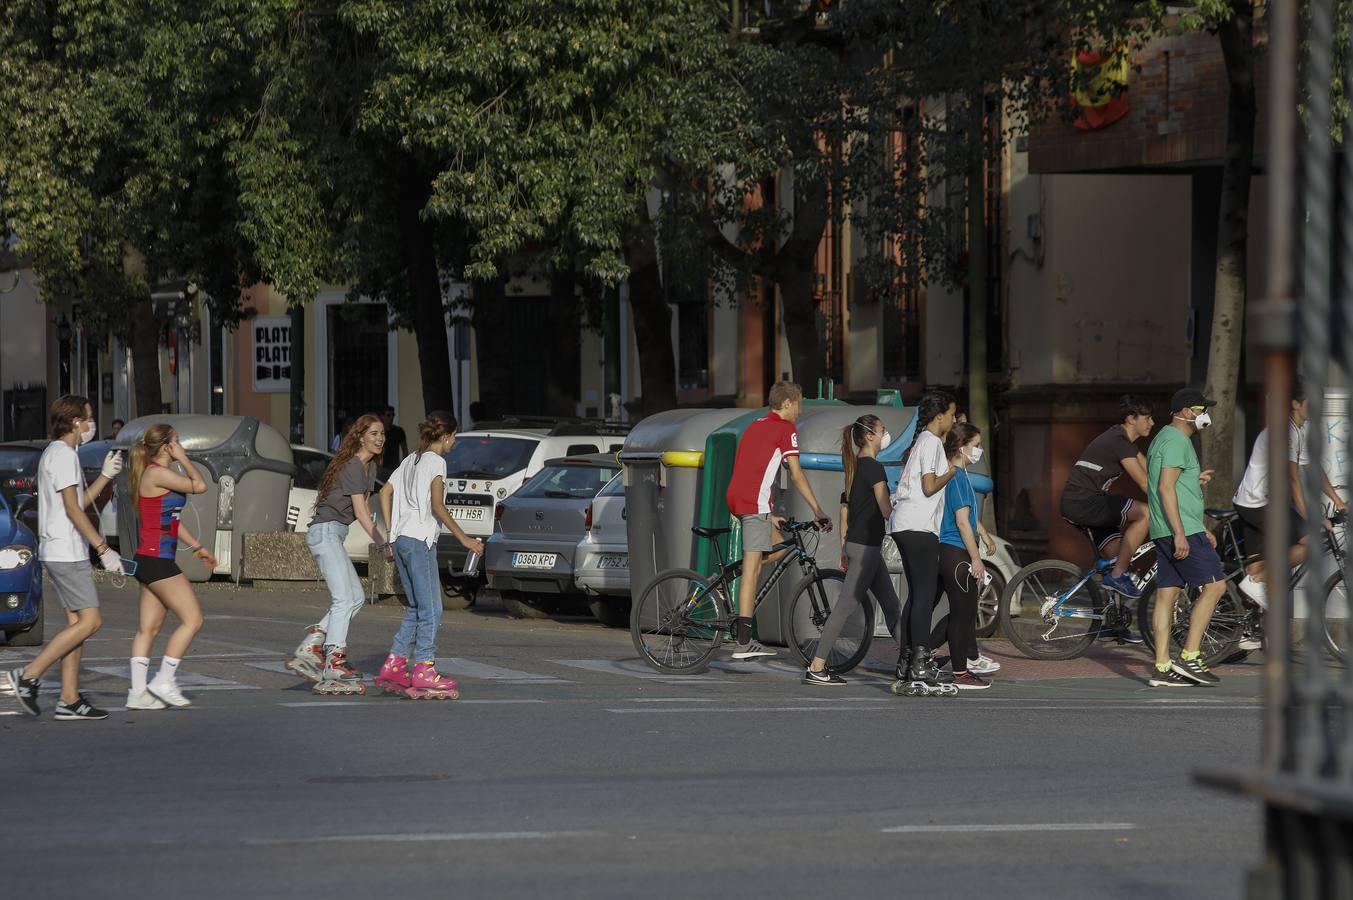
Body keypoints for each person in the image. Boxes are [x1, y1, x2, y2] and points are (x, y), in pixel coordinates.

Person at [5, 395, 124, 720]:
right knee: (91, 621)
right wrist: (104, 548)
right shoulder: (62, 455)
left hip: (61, 549)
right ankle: (28, 675)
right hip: (66, 552)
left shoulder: (59, 453)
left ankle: (69, 700)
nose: (90, 425)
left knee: (77, 625)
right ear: (74, 422)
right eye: (88, 418)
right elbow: (73, 510)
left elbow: (77, 502)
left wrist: (104, 475)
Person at [373, 412, 485, 699]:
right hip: (420, 540)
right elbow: (437, 504)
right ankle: (424, 667)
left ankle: (395, 664)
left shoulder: (411, 459)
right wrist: (465, 539)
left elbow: (385, 492)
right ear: (445, 436)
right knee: (432, 609)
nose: (455, 442)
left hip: (400, 539)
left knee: (416, 606)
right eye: (455, 436)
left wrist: (391, 532)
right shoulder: (437, 462)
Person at [724, 381, 831, 660]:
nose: (801, 409)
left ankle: (734, 576)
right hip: (753, 503)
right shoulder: (785, 429)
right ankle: (744, 642)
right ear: (787, 404)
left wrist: (769, 514)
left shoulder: (755, 424)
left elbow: (751, 467)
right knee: (753, 572)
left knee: (781, 547)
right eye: (799, 403)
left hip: (740, 499)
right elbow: (795, 474)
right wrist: (818, 509)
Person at [285, 414, 388, 695]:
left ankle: (312, 643)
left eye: (382, 434)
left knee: (355, 598)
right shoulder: (354, 465)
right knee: (344, 598)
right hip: (325, 533)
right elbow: (361, 513)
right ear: (360, 436)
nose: (380, 438)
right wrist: (382, 543)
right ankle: (334, 660)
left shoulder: (368, 469)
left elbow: (364, 509)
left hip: (335, 534)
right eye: (374, 433)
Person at [803, 415, 902, 685]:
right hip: (867, 547)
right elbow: (885, 509)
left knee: (891, 604)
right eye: (883, 429)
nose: (885, 434)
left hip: (864, 547)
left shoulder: (855, 467)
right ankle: (817, 665)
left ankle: (910, 660)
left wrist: (844, 548)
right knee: (845, 607)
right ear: (870, 435)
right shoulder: (873, 468)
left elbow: (846, 509)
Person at [1232, 380, 1347, 610]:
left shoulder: (1297, 430)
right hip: (1257, 504)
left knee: (1257, 568)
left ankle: (1247, 628)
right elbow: (1294, 480)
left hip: (1257, 503)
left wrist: (1339, 501)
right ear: (1295, 403)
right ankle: (1255, 582)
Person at [125, 424, 216, 709]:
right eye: (177, 442)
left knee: (148, 628)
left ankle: (137, 693)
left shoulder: (159, 474)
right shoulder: (157, 473)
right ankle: (164, 680)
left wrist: (198, 547)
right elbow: (200, 485)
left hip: (151, 559)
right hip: (156, 561)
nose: (181, 447)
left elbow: (171, 521)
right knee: (193, 619)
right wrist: (186, 460)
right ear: (166, 447)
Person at [1145, 388, 1229, 688]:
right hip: (1178, 531)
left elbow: (1172, 485)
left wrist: (1195, 480)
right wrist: (1182, 532)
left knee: (1168, 594)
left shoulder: (1164, 440)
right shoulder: (1177, 441)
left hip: (1167, 528)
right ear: (1185, 411)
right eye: (1200, 408)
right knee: (1215, 587)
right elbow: (1165, 488)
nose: (1205, 414)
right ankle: (1190, 657)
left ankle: (1162, 667)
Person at [889, 389, 959, 696]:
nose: (955, 420)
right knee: (924, 596)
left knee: (917, 595)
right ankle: (920, 661)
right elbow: (930, 486)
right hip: (918, 526)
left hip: (903, 524)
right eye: (953, 414)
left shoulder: (923, 442)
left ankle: (907, 660)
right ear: (940, 415)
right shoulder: (931, 442)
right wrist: (952, 471)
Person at [1059, 395, 1155, 602]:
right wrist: (1170, 505)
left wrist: (1187, 482)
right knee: (1146, 513)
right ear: (1131, 418)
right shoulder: (1118, 440)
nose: (1152, 423)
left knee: (1120, 557)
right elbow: (1144, 483)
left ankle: (1111, 624)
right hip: (1084, 502)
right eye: (1147, 418)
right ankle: (1118, 576)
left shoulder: (1123, 441)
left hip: (1085, 504)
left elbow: (1152, 472)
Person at [937, 421, 1000, 689]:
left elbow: (970, 518)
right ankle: (960, 672)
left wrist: (984, 534)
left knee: (959, 613)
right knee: (963, 615)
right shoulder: (958, 477)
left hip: (947, 551)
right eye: (975, 445)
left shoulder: (953, 475)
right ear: (961, 448)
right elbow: (962, 521)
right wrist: (976, 559)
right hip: (956, 552)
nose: (979, 450)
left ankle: (921, 655)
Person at [380, 406, 409, 475]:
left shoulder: (399, 431)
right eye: (388, 415)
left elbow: (405, 450)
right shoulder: (379, 432)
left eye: (393, 415)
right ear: (382, 417)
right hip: (381, 468)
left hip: (395, 468)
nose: (391, 417)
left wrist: (403, 466)